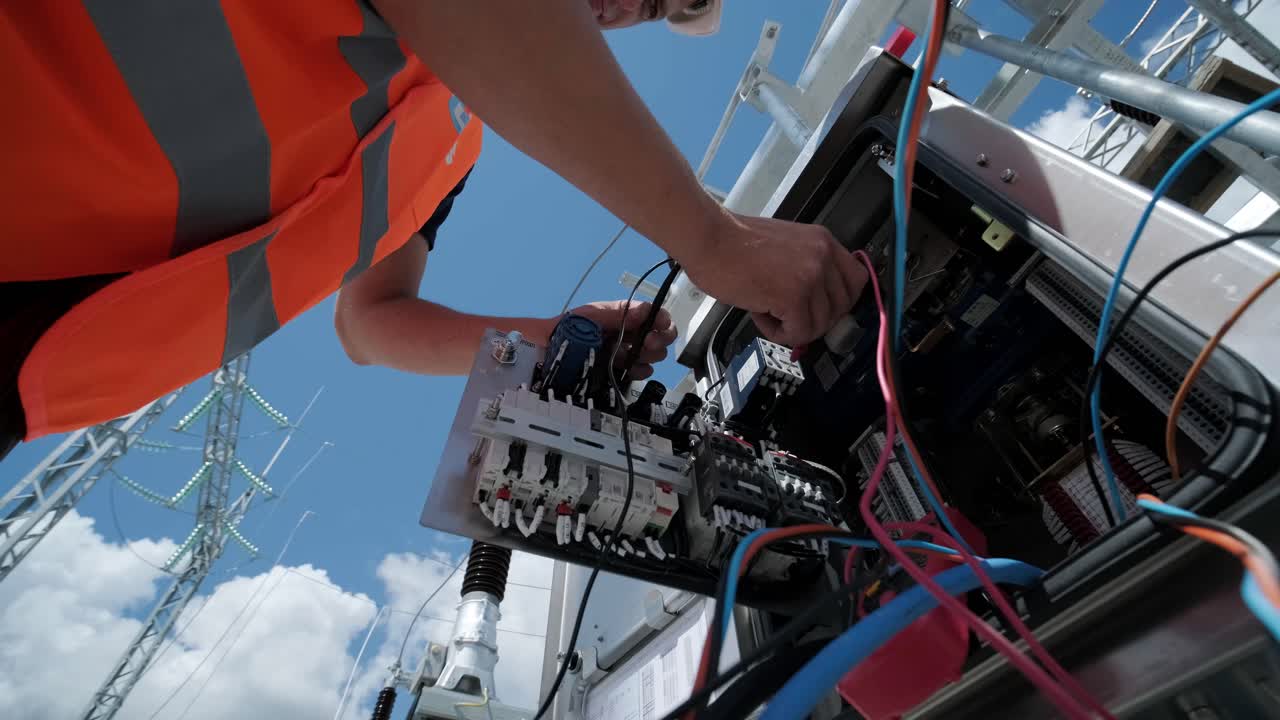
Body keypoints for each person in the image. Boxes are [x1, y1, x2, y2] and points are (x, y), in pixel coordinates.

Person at [0, 0, 866, 459]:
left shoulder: (449, 140)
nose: (627, 6)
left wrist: (547, 338)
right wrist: (716, 244)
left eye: (650, 8)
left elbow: (370, 324)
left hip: (28, 364)